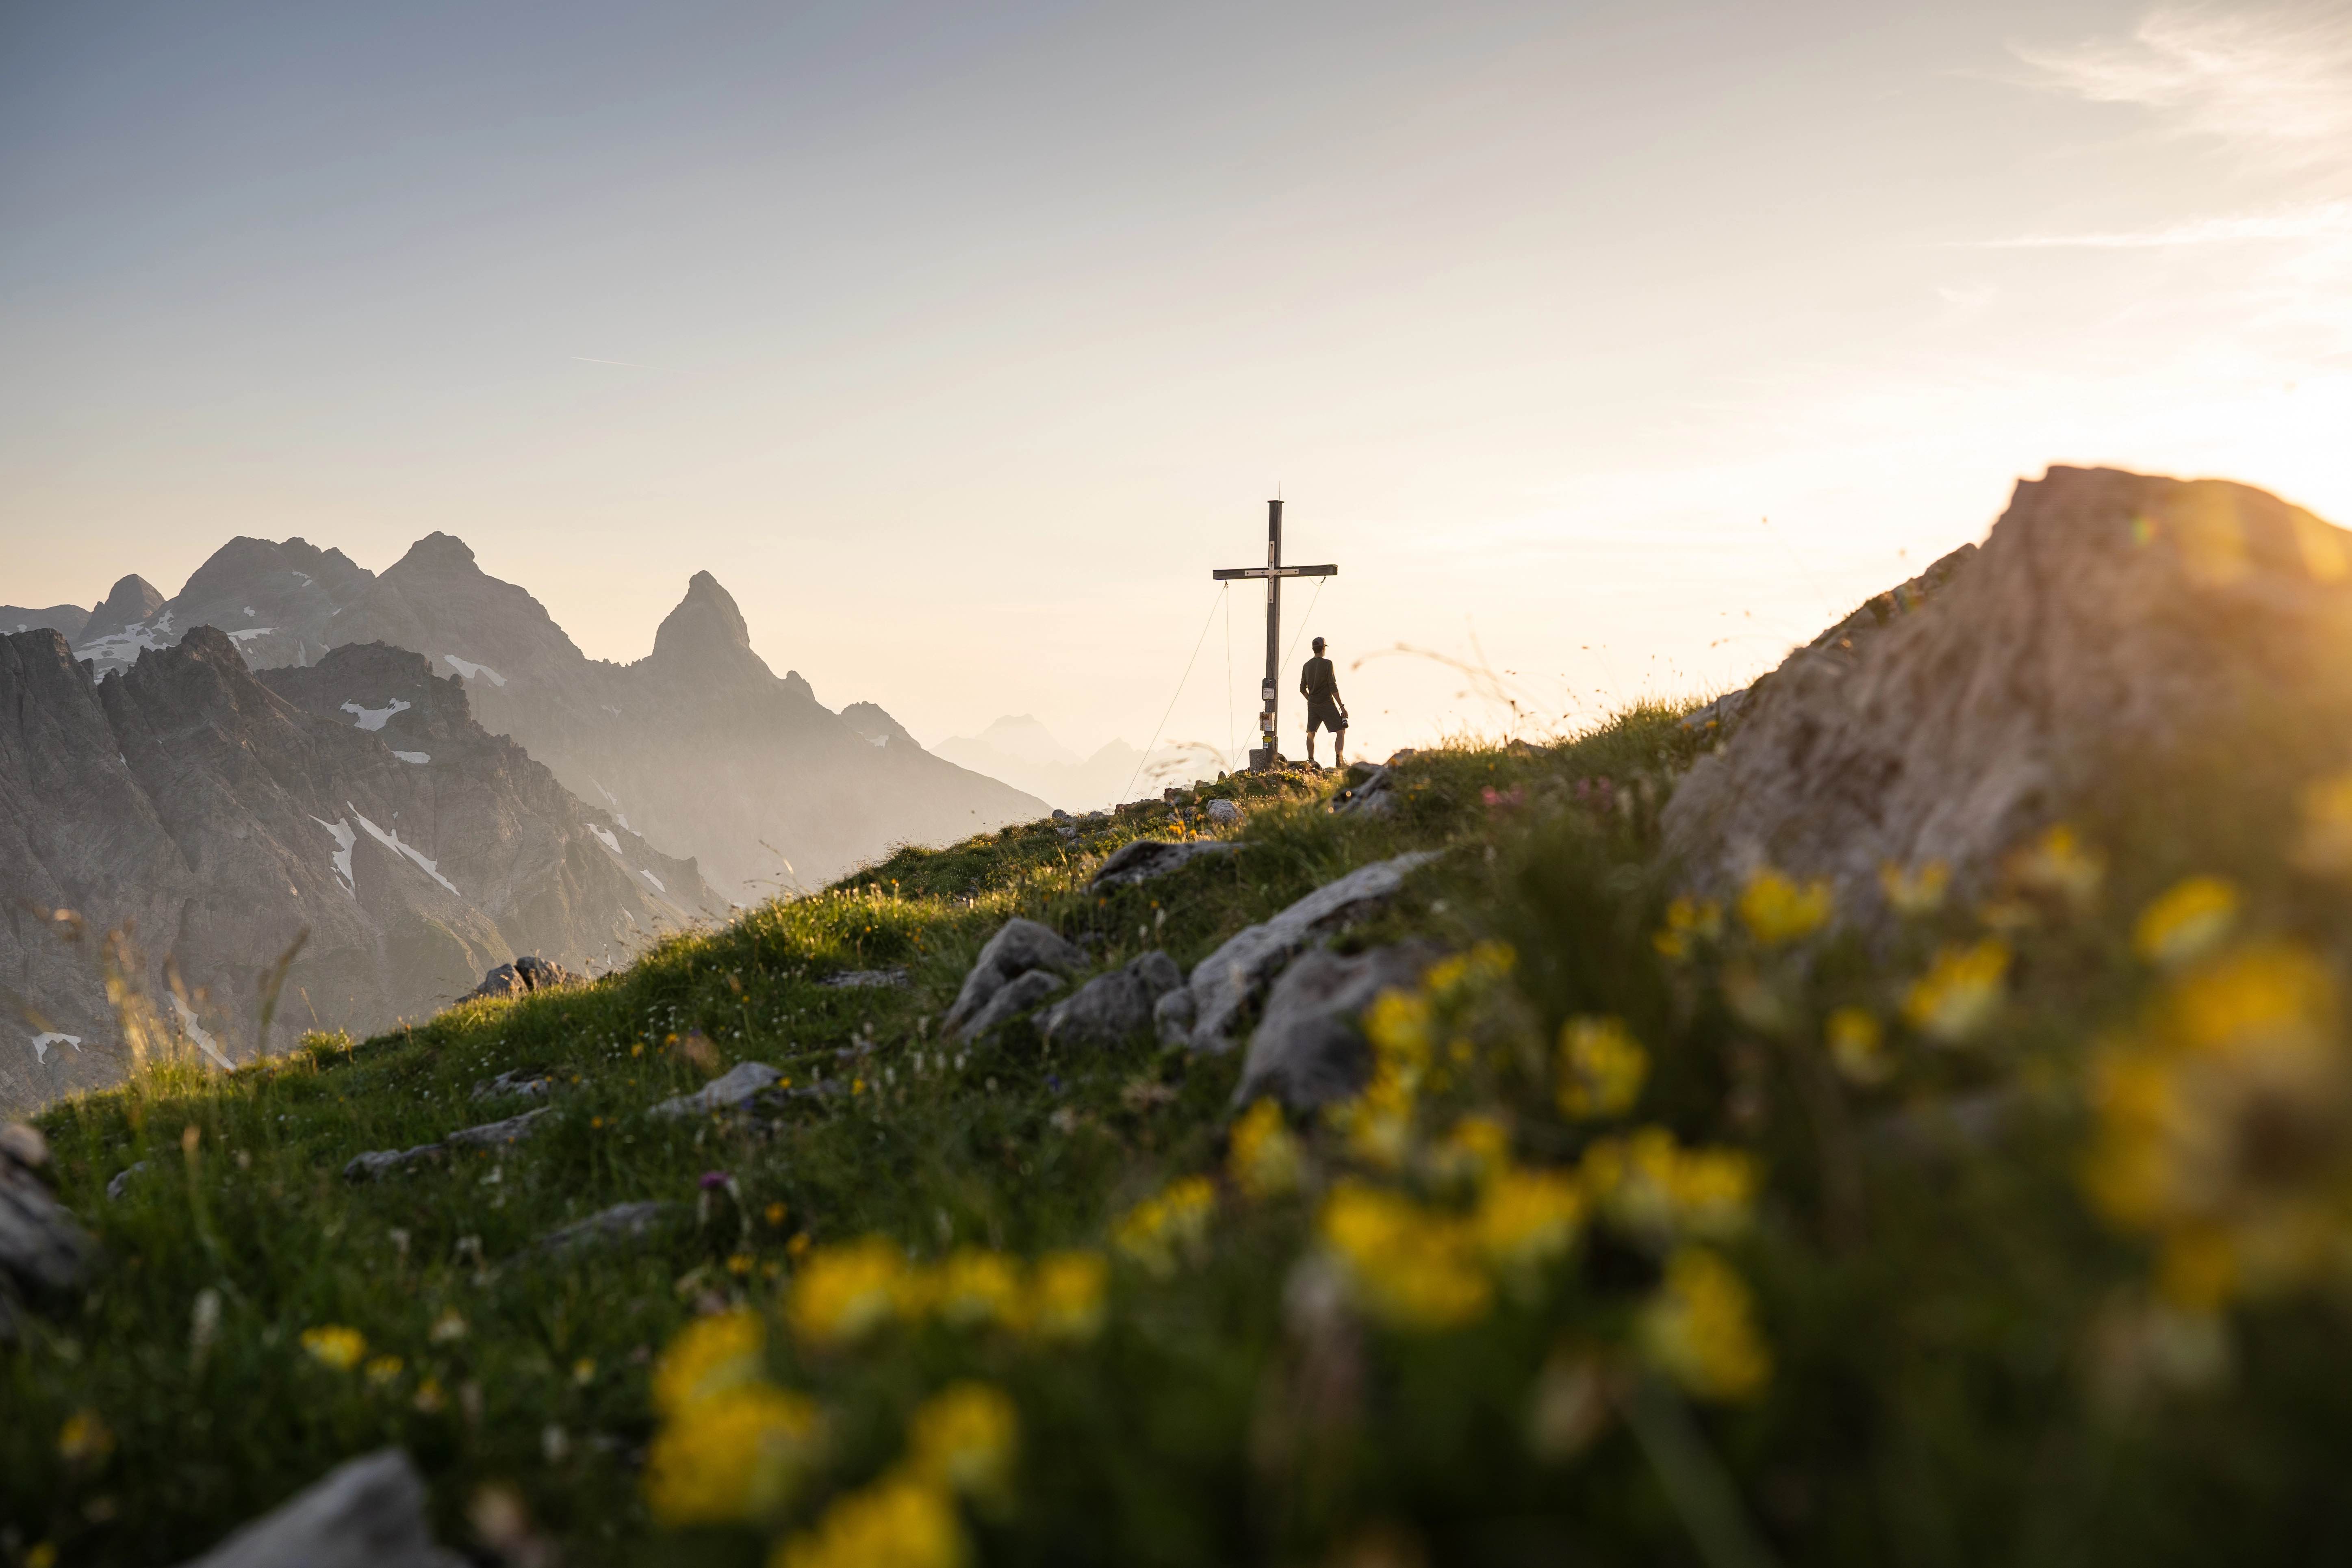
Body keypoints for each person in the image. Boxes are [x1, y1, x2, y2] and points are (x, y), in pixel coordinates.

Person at [1300, 635, 1347, 768]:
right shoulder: (1328, 664)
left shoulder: (1307, 665)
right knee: (1341, 731)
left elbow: (1302, 688)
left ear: (1313, 649)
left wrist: (1310, 699)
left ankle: (1311, 760)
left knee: (1311, 733)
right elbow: (1333, 687)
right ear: (1324, 649)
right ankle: (1339, 760)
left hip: (1312, 704)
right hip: (1327, 703)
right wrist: (1342, 707)